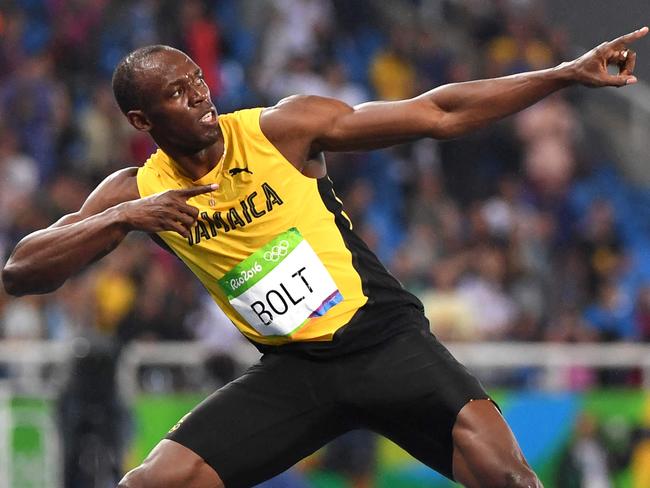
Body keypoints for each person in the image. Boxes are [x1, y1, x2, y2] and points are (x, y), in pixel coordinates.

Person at [2, 26, 647, 488]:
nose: (199, 96)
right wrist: (124, 218)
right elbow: (21, 270)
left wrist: (564, 74)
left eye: (198, 80)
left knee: (508, 477)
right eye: (176, 93)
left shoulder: (281, 130)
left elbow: (438, 113)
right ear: (142, 120)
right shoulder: (136, 192)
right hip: (295, 373)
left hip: (384, 343)